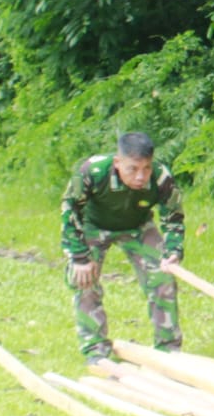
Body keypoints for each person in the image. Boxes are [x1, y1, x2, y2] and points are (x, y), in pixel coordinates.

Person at [60, 132, 185, 362]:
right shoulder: (93, 171)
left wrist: (173, 252)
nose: (140, 176)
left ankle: (168, 351)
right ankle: (96, 350)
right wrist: (79, 257)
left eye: (146, 168)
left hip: (138, 227)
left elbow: (173, 217)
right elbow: (70, 211)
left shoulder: (160, 177)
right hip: (93, 225)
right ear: (118, 162)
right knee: (84, 281)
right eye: (133, 169)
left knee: (163, 278)